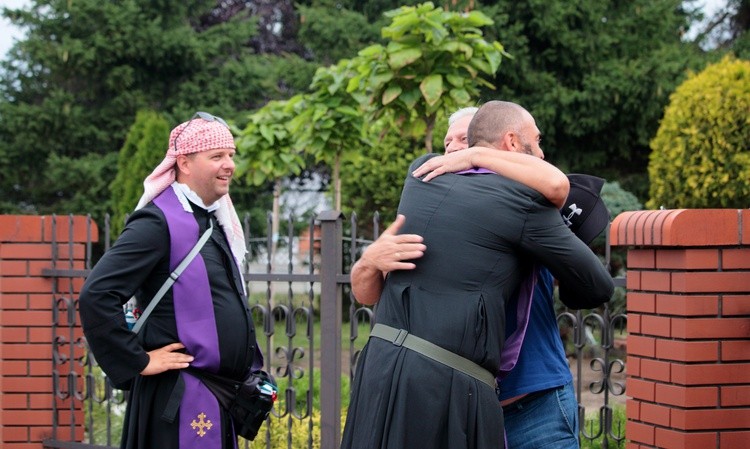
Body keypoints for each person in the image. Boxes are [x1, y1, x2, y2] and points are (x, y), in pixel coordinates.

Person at [341, 100, 614, 449]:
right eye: (448, 144)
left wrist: (477, 157)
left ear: (502, 145)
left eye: (466, 143)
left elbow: (557, 189)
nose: (455, 150)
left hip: (532, 400)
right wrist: (368, 262)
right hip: (457, 399)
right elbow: (367, 294)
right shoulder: (428, 185)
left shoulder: (530, 201)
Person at [79, 112, 260, 449]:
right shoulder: (158, 222)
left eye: (231, 156)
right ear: (185, 163)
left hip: (215, 393)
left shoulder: (210, 219)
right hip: (180, 398)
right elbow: (97, 294)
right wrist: (139, 360)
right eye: (217, 156)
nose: (229, 165)